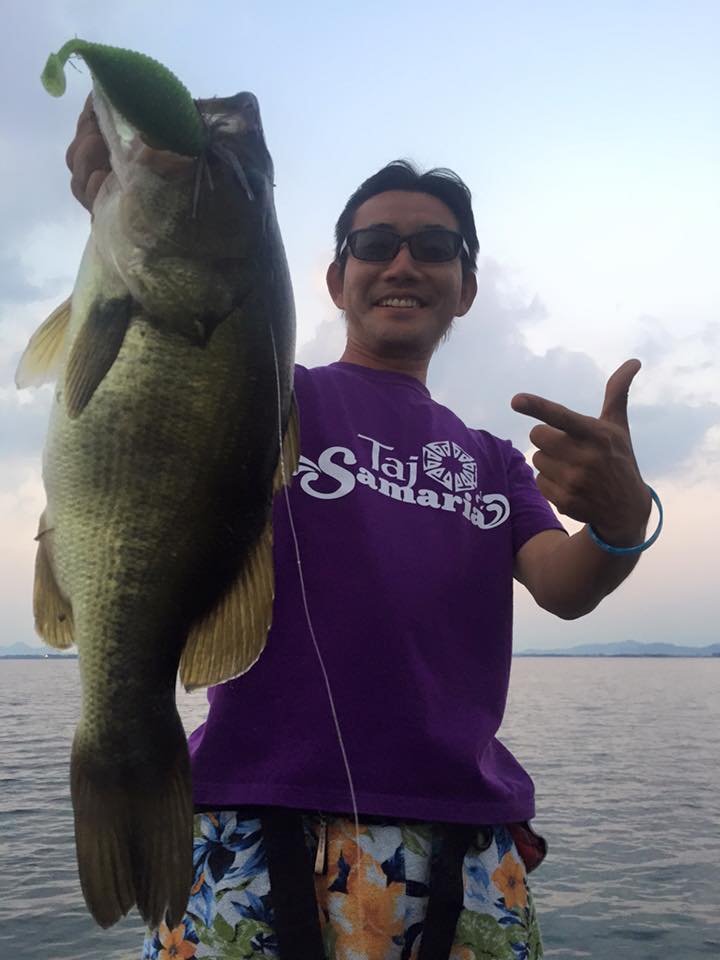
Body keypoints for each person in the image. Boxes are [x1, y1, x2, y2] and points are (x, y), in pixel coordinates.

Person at [66, 98, 656, 960]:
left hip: (464, 844)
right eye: (374, 245)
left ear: (467, 287)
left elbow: (566, 586)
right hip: (252, 826)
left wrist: (623, 522)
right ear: (337, 280)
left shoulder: (491, 461)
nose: (402, 263)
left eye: (436, 246)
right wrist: (126, 205)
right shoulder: (266, 396)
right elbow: (157, 367)